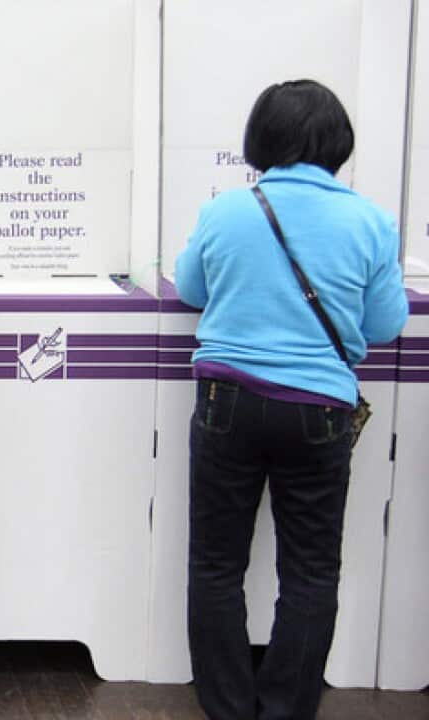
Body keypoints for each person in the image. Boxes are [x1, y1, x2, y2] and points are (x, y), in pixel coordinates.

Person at [175, 79, 407, 720]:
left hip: (229, 401)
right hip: (320, 411)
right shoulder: (369, 221)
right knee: (310, 570)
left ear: (261, 140)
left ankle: (226, 708)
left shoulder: (225, 210)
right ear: (338, 144)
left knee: (217, 565)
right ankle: (283, 709)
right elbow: (386, 323)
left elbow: (191, 287)